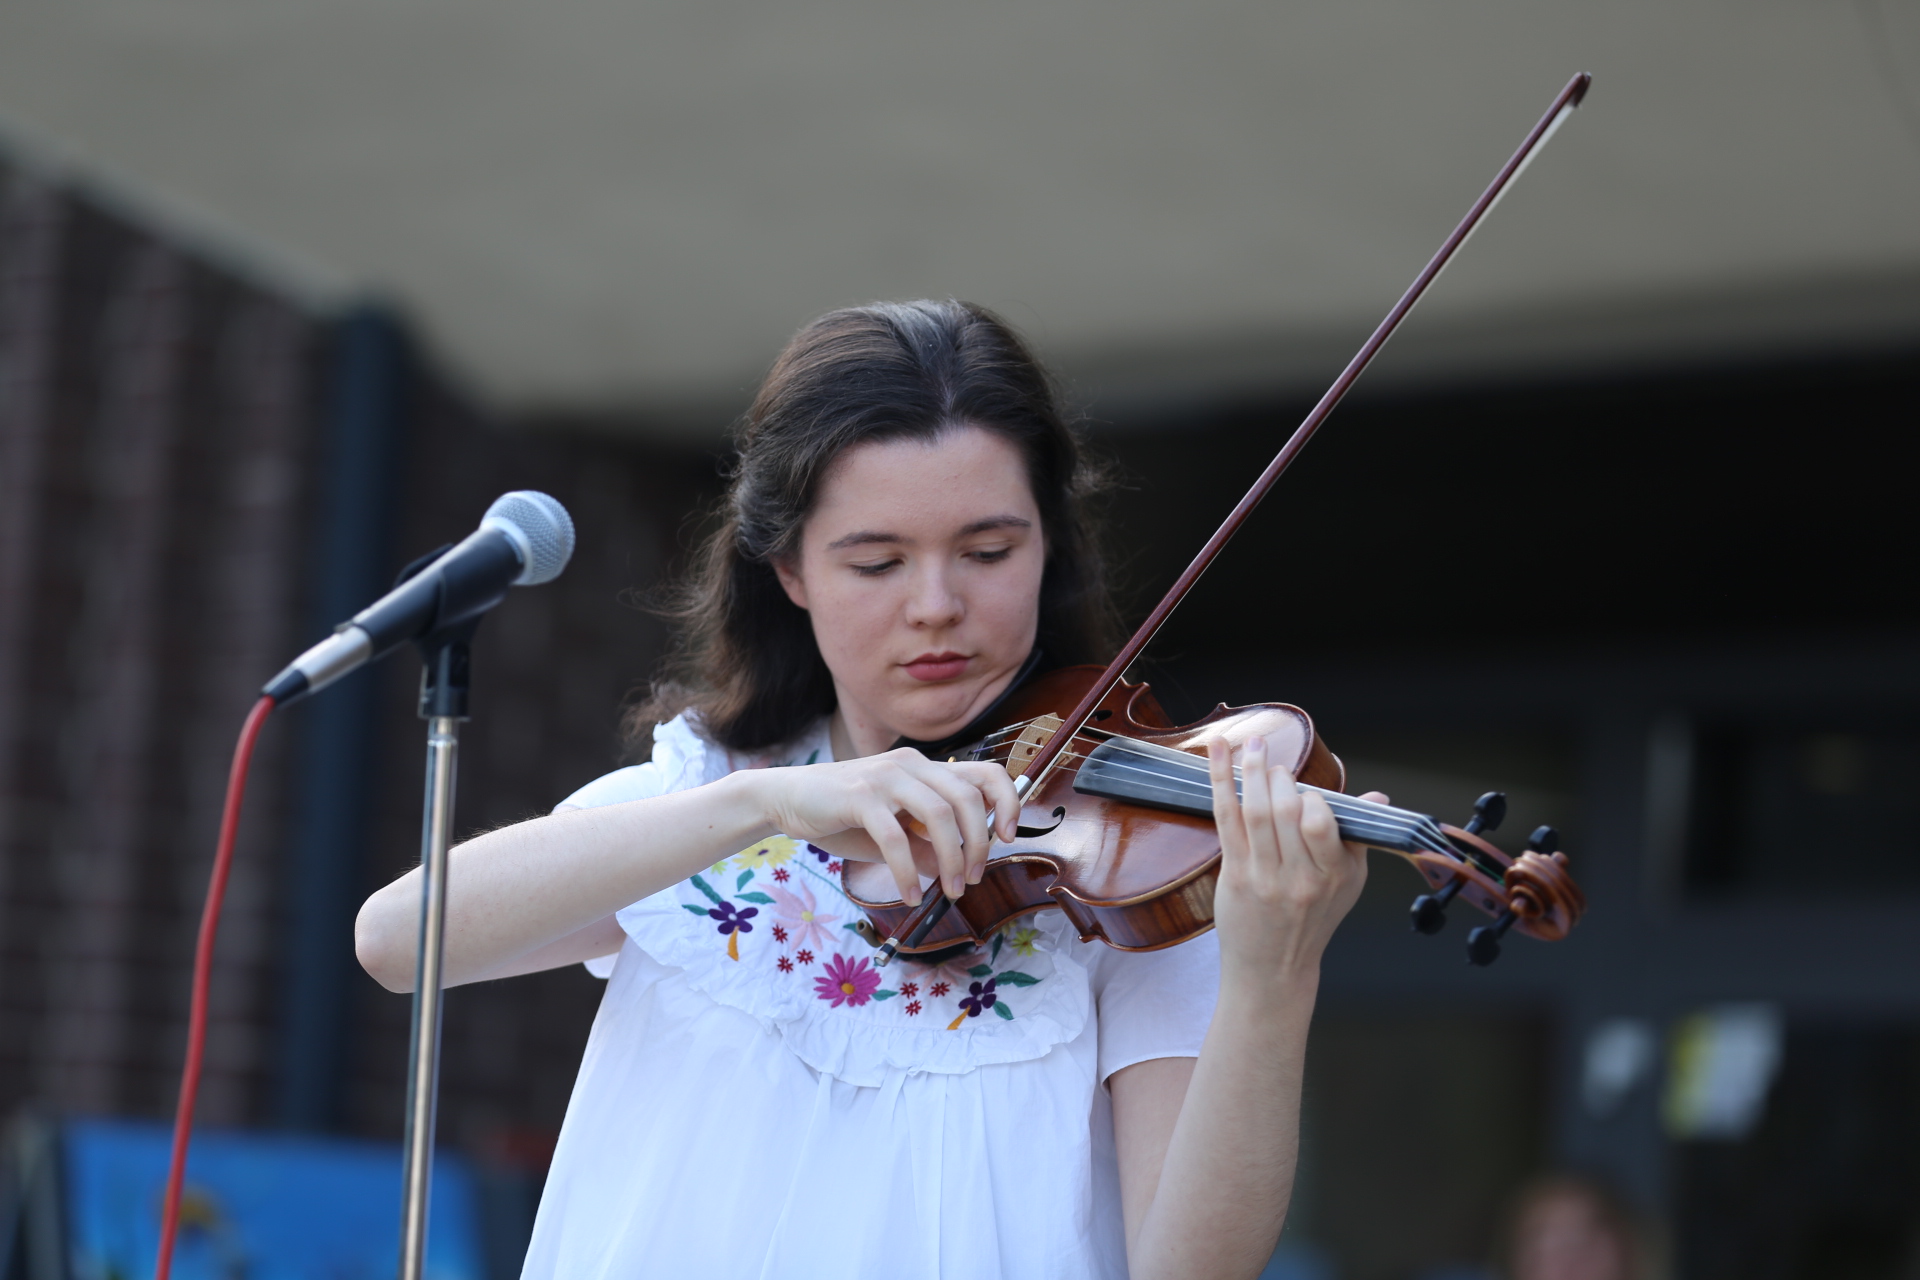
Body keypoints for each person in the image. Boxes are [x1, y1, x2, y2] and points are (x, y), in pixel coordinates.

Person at [355, 299, 1382, 1280]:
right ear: (788, 569)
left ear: (1048, 548)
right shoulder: (702, 799)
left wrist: (1270, 978)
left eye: (988, 550)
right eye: (877, 561)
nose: (938, 607)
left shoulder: (1122, 873)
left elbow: (1190, 1265)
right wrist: (757, 805)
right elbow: (398, 939)